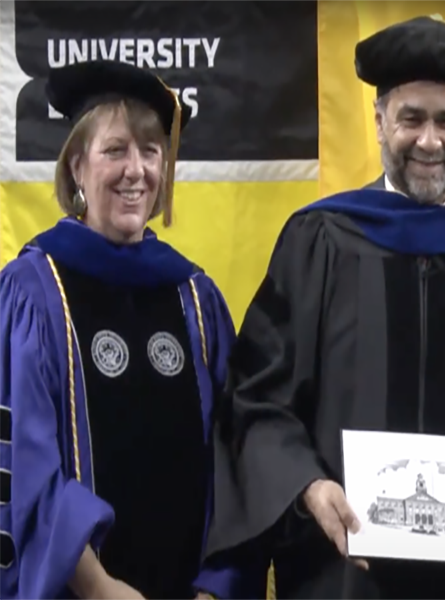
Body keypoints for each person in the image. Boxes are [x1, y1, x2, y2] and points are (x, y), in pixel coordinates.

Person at [206, 15, 445, 600]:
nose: (430, 140)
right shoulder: (321, 240)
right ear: (379, 122)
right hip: (343, 575)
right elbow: (258, 398)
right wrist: (307, 485)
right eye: (412, 119)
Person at [0, 60, 266, 600]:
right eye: (115, 150)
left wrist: (217, 585)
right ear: (77, 166)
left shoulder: (195, 298)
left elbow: (237, 461)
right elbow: (26, 465)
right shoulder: (33, 290)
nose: (136, 170)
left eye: (151, 152)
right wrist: (98, 588)